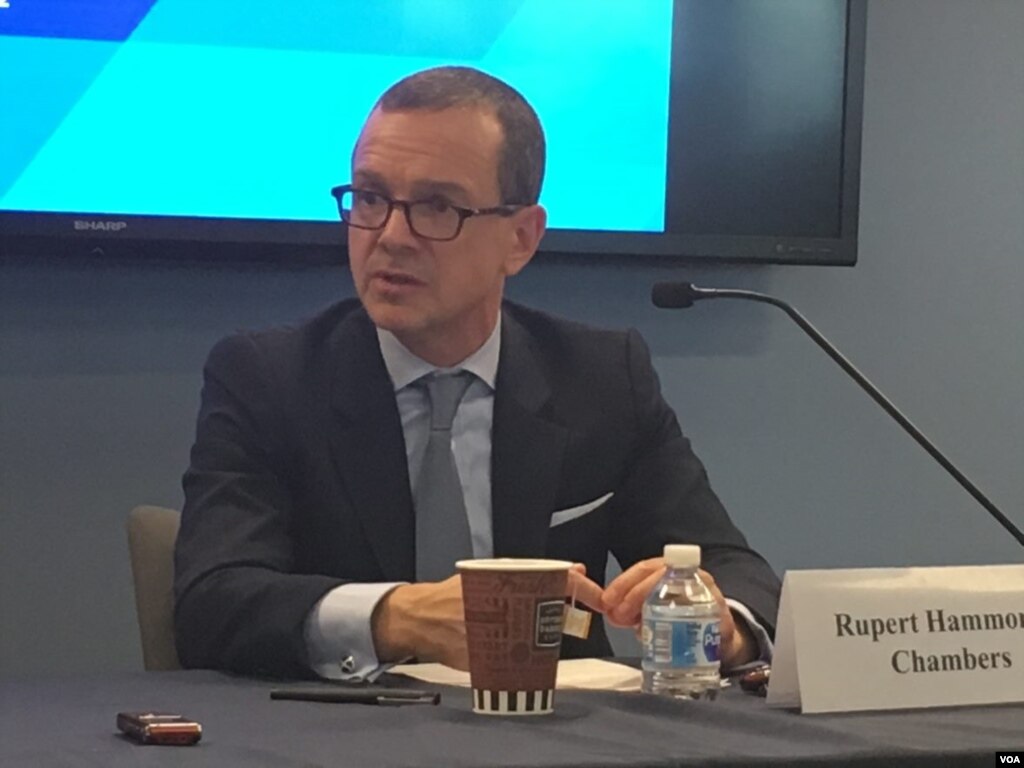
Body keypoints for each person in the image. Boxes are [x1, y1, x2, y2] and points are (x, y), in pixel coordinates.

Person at [174, 66, 781, 680]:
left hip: (557, 724)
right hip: (340, 723)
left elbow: (740, 577)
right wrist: (398, 616)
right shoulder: (269, 379)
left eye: (437, 207)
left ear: (520, 239)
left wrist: (720, 625)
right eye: (371, 198)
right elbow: (212, 603)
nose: (390, 236)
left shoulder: (600, 378)